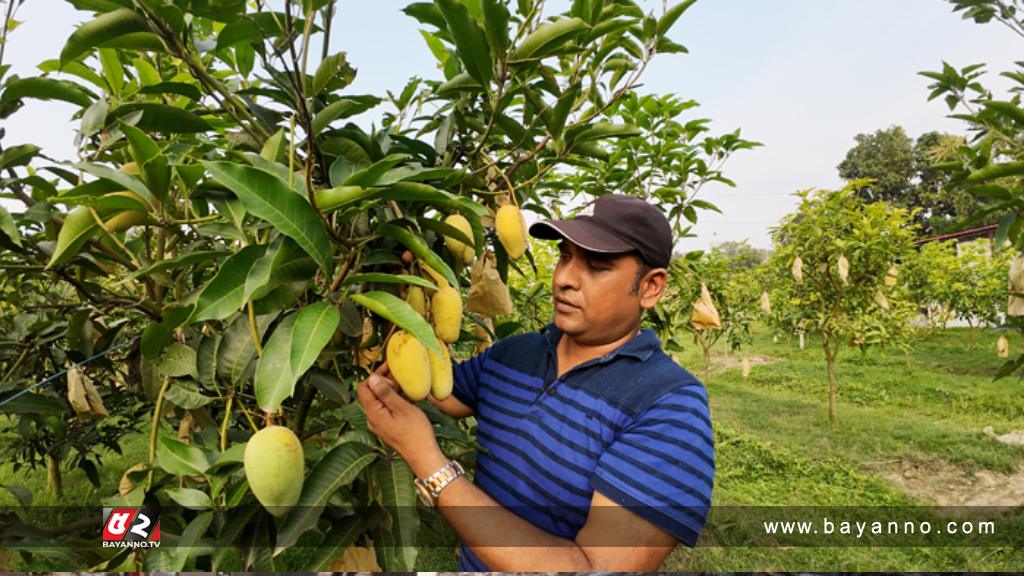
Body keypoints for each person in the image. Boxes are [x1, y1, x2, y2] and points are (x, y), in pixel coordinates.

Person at [356, 194, 714, 571]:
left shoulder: (671, 408)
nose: (563, 280)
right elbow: (437, 391)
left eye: (595, 266)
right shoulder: (516, 353)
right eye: (565, 257)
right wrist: (408, 294)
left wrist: (429, 463)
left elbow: (595, 568)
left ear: (651, 288)